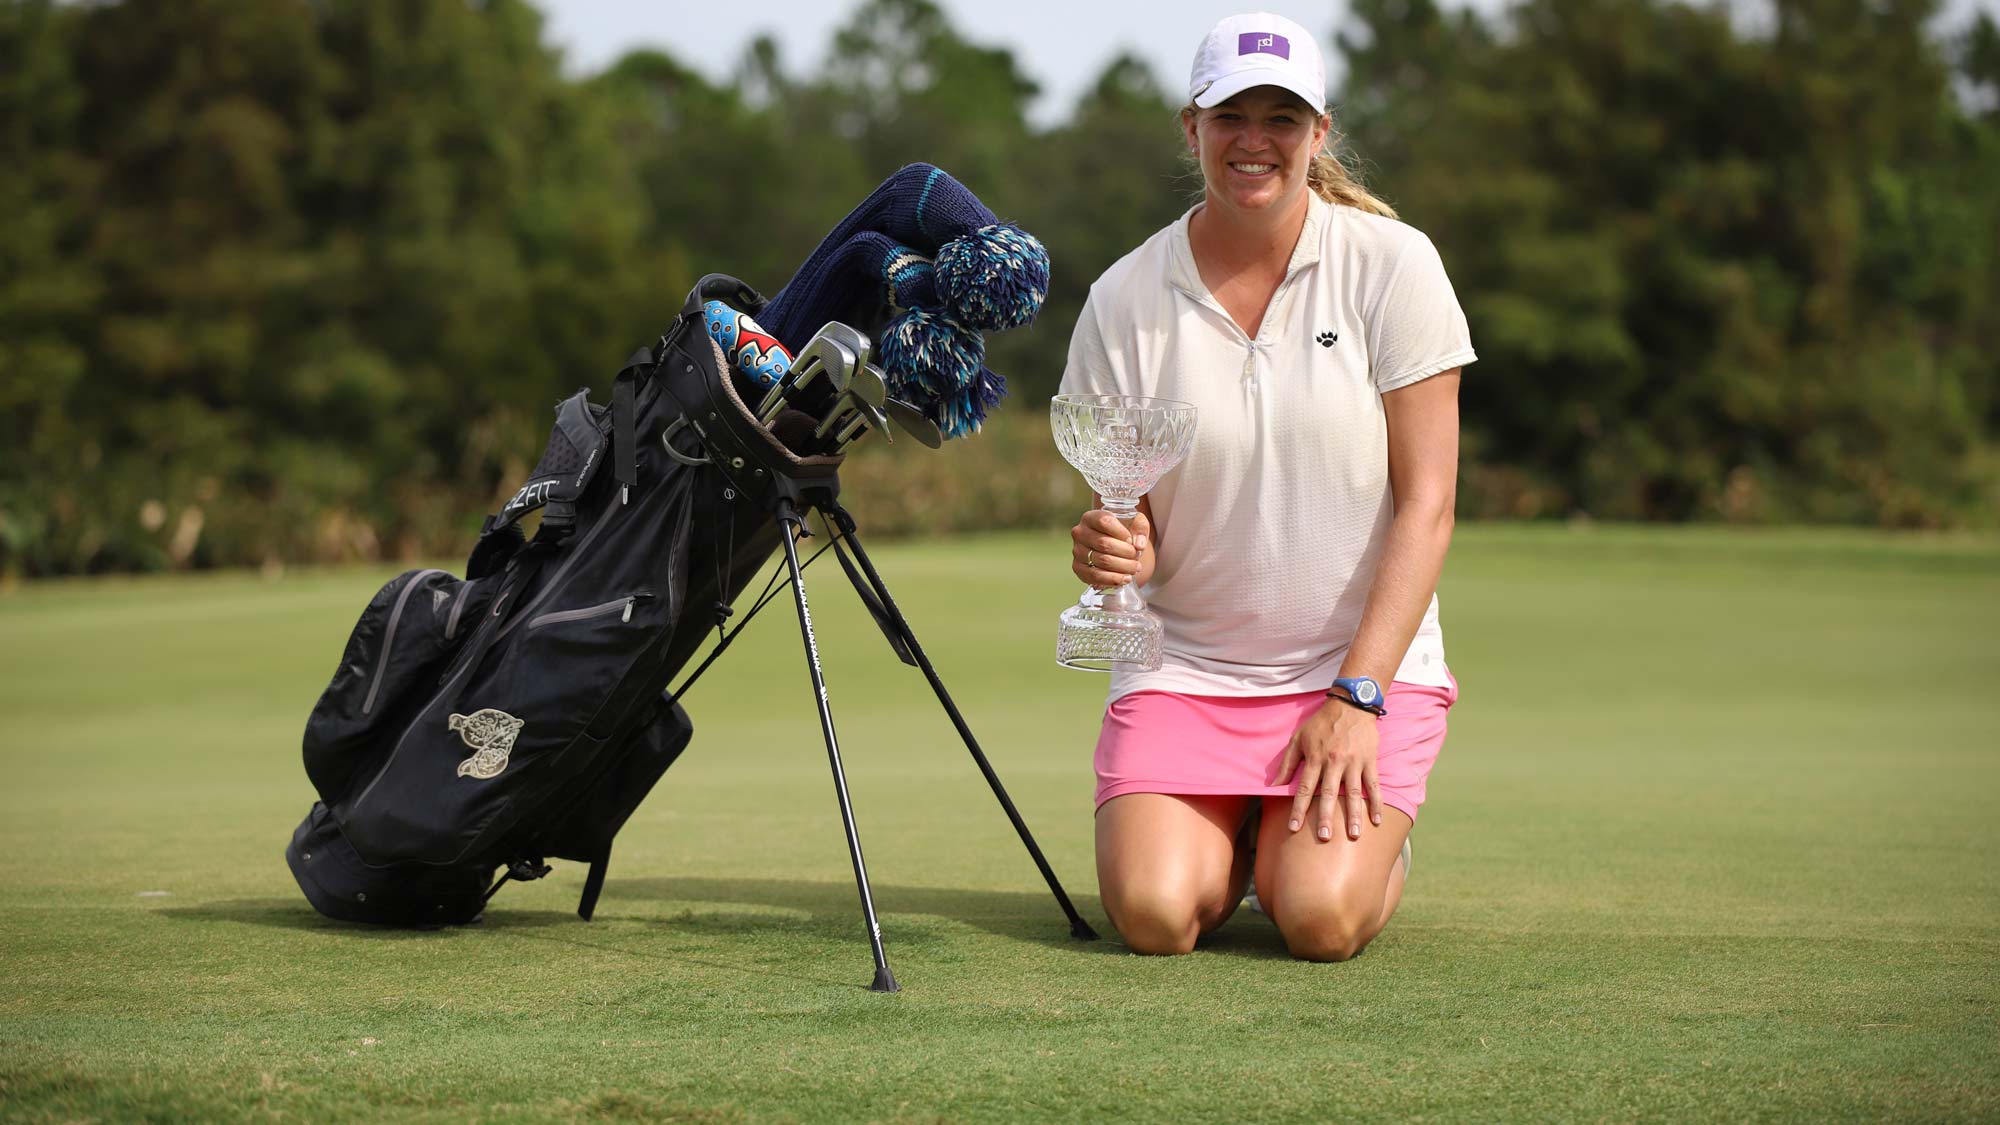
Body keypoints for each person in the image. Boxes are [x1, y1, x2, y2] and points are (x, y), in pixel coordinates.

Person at [1057, 11, 1473, 961]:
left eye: (1281, 117)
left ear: (1319, 132)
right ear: (1190, 126)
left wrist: (1357, 696)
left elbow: (1431, 503)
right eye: (1229, 114)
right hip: (1189, 670)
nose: (1254, 139)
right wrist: (1112, 546)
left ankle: (1330, 847)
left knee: (1319, 919)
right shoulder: (1124, 297)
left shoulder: (1392, 266)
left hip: (1356, 670)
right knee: (1157, 918)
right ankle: (1240, 824)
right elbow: (1138, 521)